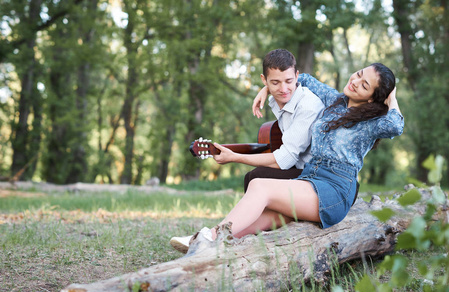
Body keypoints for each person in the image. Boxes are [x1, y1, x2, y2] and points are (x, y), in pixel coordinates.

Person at [170, 62, 403, 254]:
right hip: (311, 176)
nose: (354, 82)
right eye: (359, 74)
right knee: (264, 217)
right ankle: (207, 243)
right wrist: (266, 89)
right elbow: (304, 78)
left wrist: (392, 98)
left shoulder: (371, 123)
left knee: (260, 186)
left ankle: (208, 239)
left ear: (373, 98)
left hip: (335, 188)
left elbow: (396, 125)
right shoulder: (334, 100)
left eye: (364, 85)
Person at [213, 49, 324, 192]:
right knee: (255, 177)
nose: (283, 89)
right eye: (275, 82)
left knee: (257, 176)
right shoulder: (278, 99)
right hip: (298, 166)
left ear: (297, 77)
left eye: (288, 81)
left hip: (316, 174)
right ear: (264, 80)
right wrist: (266, 89)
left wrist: (235, 157)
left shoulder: (308, 106)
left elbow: (286, 158)